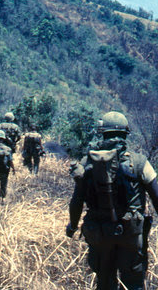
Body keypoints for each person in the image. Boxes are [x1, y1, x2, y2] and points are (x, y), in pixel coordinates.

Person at [66, 111, 158, 290]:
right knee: (134, 283)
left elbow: (76, 201)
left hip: (99, 234)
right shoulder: (139, 162)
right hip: (131, 234)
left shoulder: (87, 162)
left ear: (103, 133)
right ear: (125, 134)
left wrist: (72, 226)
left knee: (105, 283)